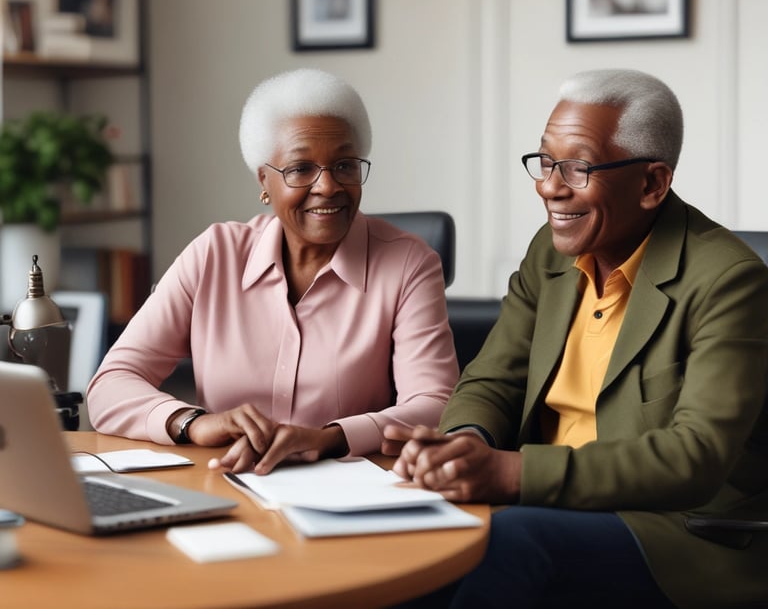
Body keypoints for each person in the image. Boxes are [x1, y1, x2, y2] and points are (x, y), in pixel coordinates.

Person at [385, 68, 768, 609]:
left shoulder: (729, 280)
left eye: (578, 167)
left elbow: (695, 457)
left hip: (676, 532)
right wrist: (468, 443)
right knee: (404, 548)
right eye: (544, 161)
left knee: (508, 542)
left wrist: (510, 472)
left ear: (652, 184)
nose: (549, 186)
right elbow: (493, 378)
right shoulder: (552, 251)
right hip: (542, 503)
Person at [87, 67, 458, 474]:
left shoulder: (409, 264)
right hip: (225, 482)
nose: (328, 186)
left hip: (347, 494)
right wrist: (191, 422)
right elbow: (111, 383)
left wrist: (330, 438)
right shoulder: (215, 253)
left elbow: (435, 406)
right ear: (264, 180)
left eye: (345, 166)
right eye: (301, 169)